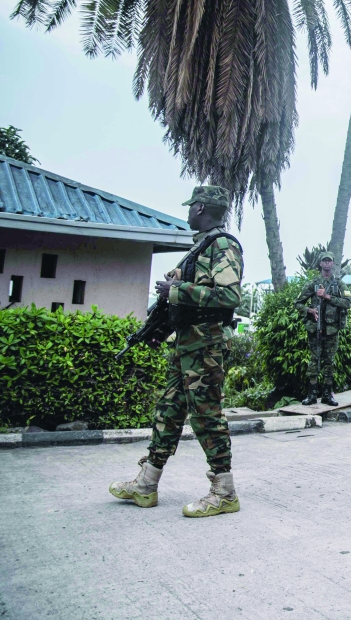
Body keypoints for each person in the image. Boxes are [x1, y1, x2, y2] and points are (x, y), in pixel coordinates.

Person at [110, 186, 244, 518]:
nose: (187, 213)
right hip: (188, 344)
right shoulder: (200, 247)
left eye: (190, 207)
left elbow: (229, 297)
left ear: (200, 208)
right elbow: (187, 306)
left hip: (207, 346)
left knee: (206, 415)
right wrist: (163, 329)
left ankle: (225, 492)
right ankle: (146, 485)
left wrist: (177, 289)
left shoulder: (222, 245)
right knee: (168, 411)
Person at [295, 252, 351, 406]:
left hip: (332, 330)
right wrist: (310, 311)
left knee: (329, 362)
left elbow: (347, 303)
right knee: (314, 361)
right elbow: (298, 303)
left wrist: (328, 297)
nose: (327, 263)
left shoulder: (339, 284)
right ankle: (312, 395)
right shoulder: (312, 284)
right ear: (320, 264)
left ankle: (327, 395)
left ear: (332, 264)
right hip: (315, 329)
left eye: (329, 261)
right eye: (324, 261)